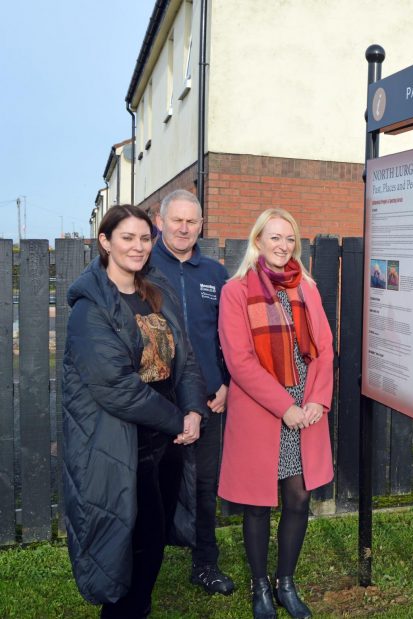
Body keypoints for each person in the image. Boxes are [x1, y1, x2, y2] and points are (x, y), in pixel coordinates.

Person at [62, 204, 208, 618]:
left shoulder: (155, 291)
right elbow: (117, 388)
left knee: (153, 539)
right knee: (126, 546)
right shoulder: (90, 309)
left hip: (166, 442)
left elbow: (186, 360)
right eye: (127, 237)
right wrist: (179, 420)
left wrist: (194, 409)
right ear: (105, 242)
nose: (138, 246)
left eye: (145, 238)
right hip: (120, 446)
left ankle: (138, 607)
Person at [218, 208, 334, 619]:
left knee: (299, 497)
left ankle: (286, 582)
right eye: (275, 238)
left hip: (306, 412)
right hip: (263, 411)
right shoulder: (236, 292)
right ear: (258, 242)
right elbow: (240, 361)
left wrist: (317, 400)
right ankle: (260, 586)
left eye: (290, 239)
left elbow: (323, 347)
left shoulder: (308, 288)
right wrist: (285, 407)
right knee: (257, 503)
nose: (283, 246)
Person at [150, 189, 234, 595]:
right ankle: (142, 566)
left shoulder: (216, 275)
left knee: (204, 488)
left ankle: (205, 563)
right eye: (177, 220)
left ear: (201, 225)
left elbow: (231, 338)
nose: (184, 228)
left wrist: (227, 385)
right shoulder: (144, 267)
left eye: (192, 221)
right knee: (148, 485)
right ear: (159, 221)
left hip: (210, 400)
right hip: (155, 402)